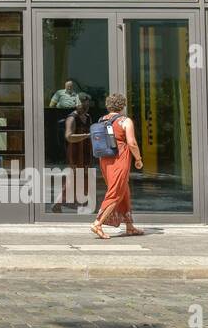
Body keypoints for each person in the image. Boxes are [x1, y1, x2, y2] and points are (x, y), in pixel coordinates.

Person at [90, 92, 144, 238]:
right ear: (123, 105)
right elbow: (132, 143)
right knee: (115, 193)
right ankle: (97, 223)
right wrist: (138, 159)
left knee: (123, 191)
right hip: (119, 158)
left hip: (105, 159)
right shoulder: (125, 121)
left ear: (109, 105)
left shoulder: (101, 120)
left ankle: (129, 226)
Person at [53, 94, 93, 212]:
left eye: (87, 104)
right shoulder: (72, 118)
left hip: (86, 151)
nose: (85, 106)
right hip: (75, 152)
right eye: (82, 104)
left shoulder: (88, 117)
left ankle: (78, 202)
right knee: (73, 177)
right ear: (77, 104)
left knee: (84, 177)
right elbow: (69, 136)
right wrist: (87, 136)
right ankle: (59, 202)